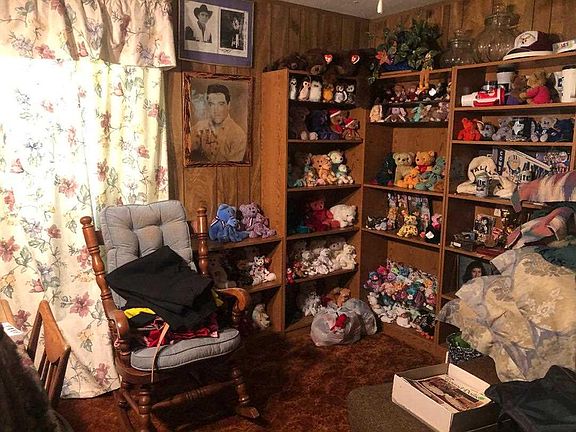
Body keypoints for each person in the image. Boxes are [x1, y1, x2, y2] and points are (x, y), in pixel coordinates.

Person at [188, 84, 247, 162]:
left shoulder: (238, 135)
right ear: (208, 106)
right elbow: (183, 150)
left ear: (228, 105)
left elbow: (233, 168)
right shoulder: (200, 126)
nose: (216, 110)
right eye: (212, 104)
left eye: (221, 104)